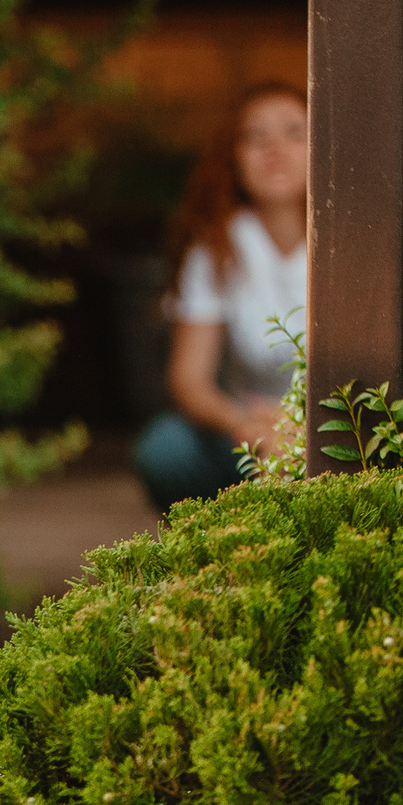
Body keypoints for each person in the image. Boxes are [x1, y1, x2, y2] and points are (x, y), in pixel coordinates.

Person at [133, 82, 310, 511]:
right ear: (234, 157)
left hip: (340, 432)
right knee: (166, 449)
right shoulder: (219, 245)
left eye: (294, 132)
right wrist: (247, 424)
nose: (275, 149)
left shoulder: (351, 239)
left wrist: (305, 428)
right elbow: (189, 380)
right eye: (255, 136)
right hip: (250, 430)